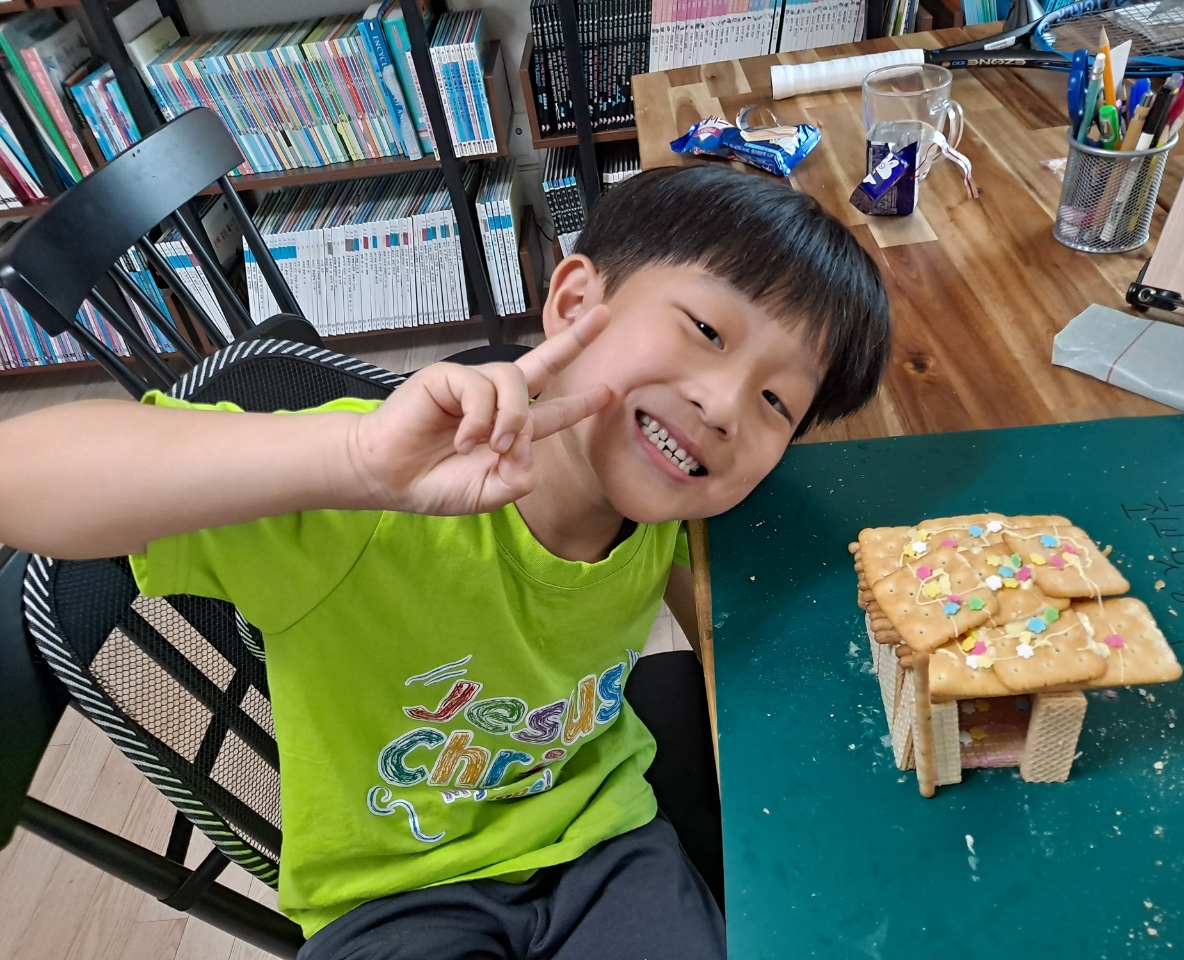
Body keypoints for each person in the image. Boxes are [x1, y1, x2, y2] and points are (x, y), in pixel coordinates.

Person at [0, 164, 891, 959]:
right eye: (706, 330)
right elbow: (19, 476)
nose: (725, 405)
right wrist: (351, 461)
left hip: (606, 843)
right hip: (396, 896)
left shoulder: (663, 496)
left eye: (777, 401)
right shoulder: (367, 505)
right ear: (575, 302)